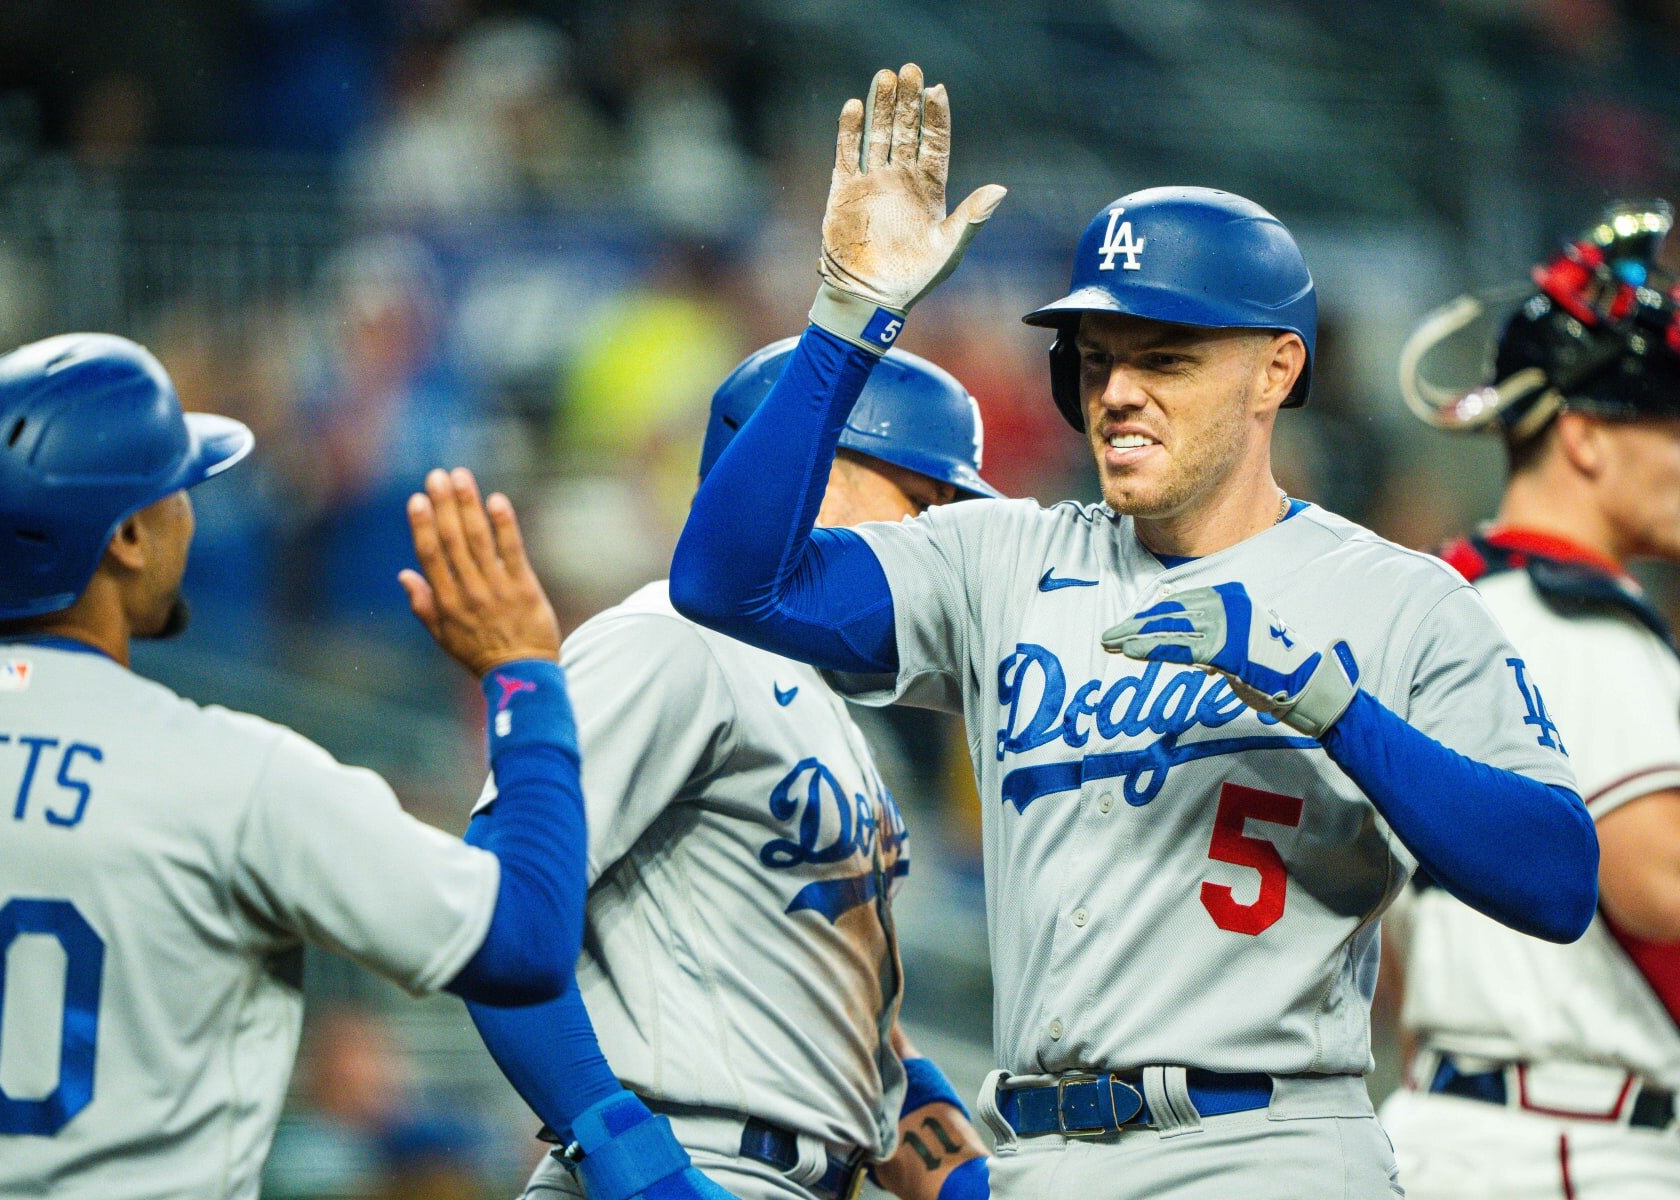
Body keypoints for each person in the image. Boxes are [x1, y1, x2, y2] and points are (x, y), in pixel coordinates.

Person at [668, 63, 1599, 1198]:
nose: (1118, 392)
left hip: (1269, 1146)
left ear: (1277, 369)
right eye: (1097, 358)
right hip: (1041, 1158)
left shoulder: (1397, 600)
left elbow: (1556, 877)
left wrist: (1334, 709)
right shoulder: (1003, 559)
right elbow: (729, 587)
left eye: (1166, 358)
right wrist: (851, 317)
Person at [0, 333, 586, 1198]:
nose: (193, 510)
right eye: (177, 491)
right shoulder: (225, 776)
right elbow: (524, 939)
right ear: (129, 537)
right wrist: (525, 674)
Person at [462, 338, 994, 1200]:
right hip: (688, 1158)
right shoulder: (669, 639)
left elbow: (859, 1032)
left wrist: (967, 1178)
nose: (938, 541)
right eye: (922, 502)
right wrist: (627, 1156)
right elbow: (492, 910)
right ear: (801, 466)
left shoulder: (827, 699)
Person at [1383, 200, 1680, 1197]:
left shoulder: (1449, 595)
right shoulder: (1577, 622)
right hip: (1569, 1141)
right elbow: (1660, 886)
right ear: (1588, 437)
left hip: (1462, 1115)